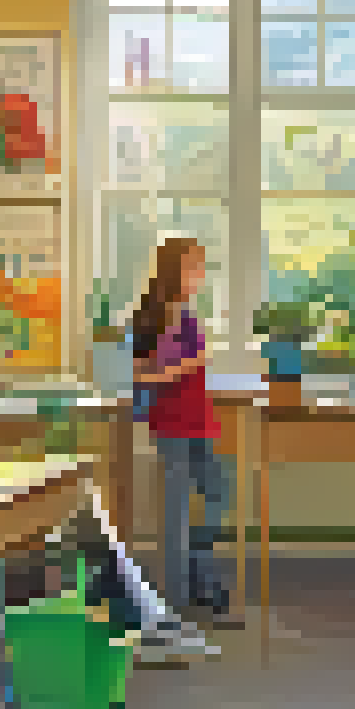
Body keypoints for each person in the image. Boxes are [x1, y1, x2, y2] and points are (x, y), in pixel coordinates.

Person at [130, 238, 232, 659]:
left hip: (198, 416)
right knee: (175, 509)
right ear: (175, 270)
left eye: (201, 267)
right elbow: (140, 377)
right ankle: (175, 600)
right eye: (193, 267)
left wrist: (193, 363)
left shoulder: (187, 315)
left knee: (217, 493)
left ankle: (200, 576)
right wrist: (188, 364)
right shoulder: (149, 317)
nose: (199, 275)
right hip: (171, 421)